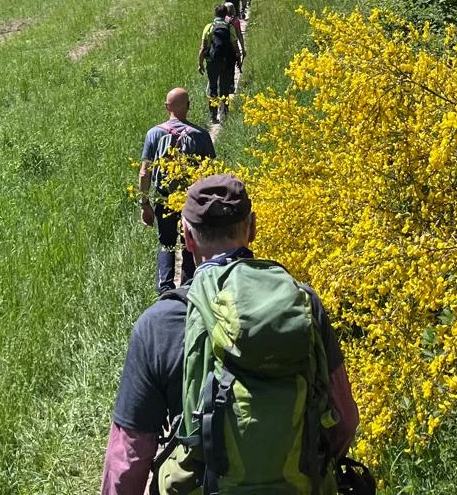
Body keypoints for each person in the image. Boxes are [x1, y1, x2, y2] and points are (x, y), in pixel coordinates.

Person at [101, 174, 359, 495]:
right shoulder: (303, 306)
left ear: (187, 236)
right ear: (252, 228)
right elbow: (345, 420)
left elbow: (129, 456)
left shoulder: (159, 324)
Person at [137, 88, 216, 293]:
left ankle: (165, 289)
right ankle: (188, 287)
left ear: (167, 107)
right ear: (188, 107)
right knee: (189, 241)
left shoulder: (154, 134)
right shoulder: (201, 136)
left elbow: (145, 172)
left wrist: (145, 204)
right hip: (192, 198)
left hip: (164, 197)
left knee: (166, 241)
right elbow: (210, 174)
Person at [196, 3, 242, 125]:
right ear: (225, 14)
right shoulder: (229, 26)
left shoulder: (209, 27)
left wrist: (200, 63)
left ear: (215, 14)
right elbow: (235, 45)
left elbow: (203, 48)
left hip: (212, 62)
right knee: (224, 88)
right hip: (226, 62)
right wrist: (239, 58)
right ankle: (225, 113)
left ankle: (213, 116)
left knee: (212, 88)